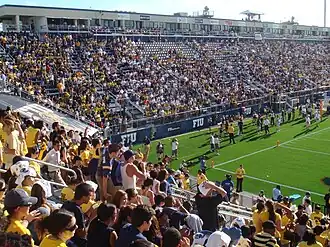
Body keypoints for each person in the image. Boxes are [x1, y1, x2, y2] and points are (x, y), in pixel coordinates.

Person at [61, 183, 95, 247]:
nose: (90, 198)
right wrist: (92, 217)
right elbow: (82, 233)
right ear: (83, 197)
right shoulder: (77, 209)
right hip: (72, 241)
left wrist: (89, 211)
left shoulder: (66, 203)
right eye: (89, 196)